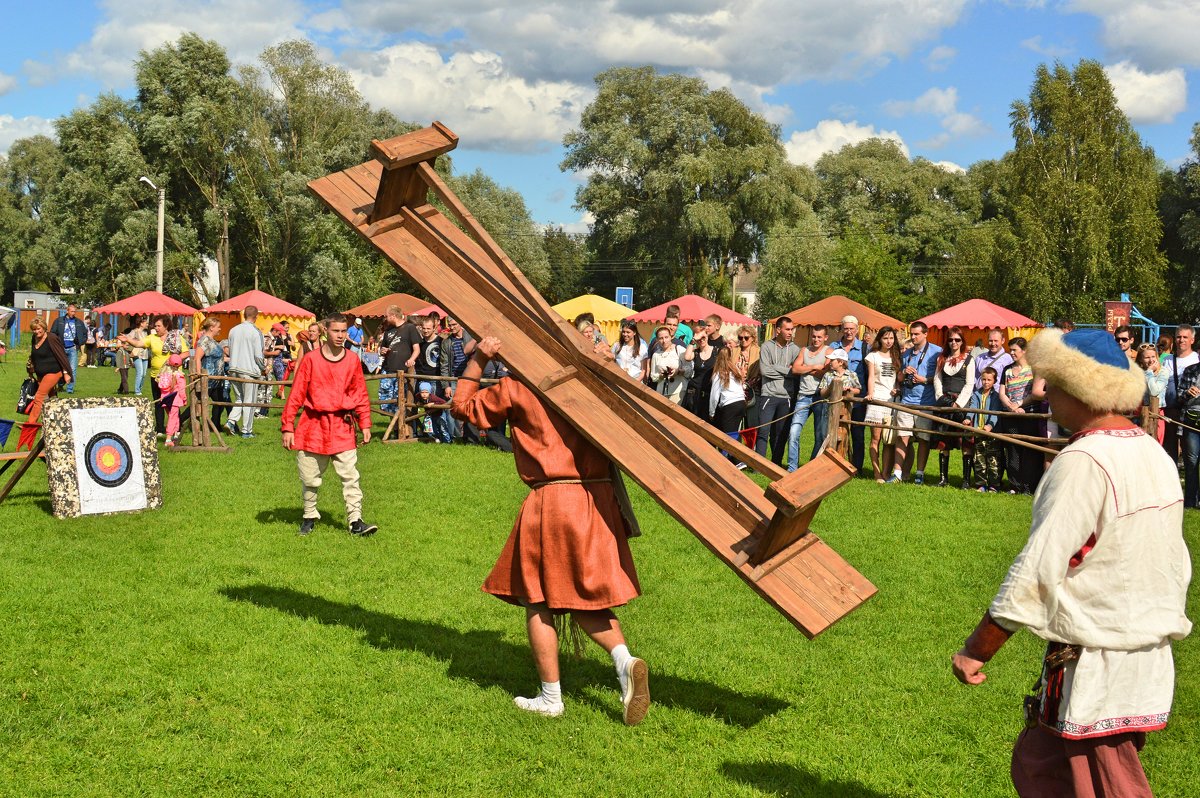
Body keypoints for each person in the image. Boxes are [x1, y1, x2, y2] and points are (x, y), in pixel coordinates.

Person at [952, 328, 1191, 798]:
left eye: (1055, 382)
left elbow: (1039, 565)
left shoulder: (1084, 459)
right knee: (1042, 765)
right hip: (1137, 646)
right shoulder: (1153, 453)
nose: (1047, 392)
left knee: (1109, 784)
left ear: (1082, 388)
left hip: (1099, 654)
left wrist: (978, 647)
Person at [449, 334, 649, 725]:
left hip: (554, 500)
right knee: (583, 597)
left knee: (538, 599)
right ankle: (625, 661)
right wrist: (607, 366)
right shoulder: (592, 382)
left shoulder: (518, 386)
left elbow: (461, 408)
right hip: (598, 500)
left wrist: (480, 360)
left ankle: (550, 697)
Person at [282, 314, 377, 538]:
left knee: (350, 476)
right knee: (309, 476)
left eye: (344, 331)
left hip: (342, 425)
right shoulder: (312, 360)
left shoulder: (353, 360)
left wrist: (365, 423)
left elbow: (360, 393)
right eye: (336, 331)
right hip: (312, 425)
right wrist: (287, 426)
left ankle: (356, 521)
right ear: (326, 331)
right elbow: (296, 394)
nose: (341, 335)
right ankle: (309, 516)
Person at [892, 321, 942, 484]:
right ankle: (897, 473)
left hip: (926, 402)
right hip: (907, 400)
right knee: (902, 437)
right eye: (911, 334)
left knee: (923, 439)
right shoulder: (906, 354)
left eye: (916, 334)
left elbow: (941, 378)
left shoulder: (937, 352)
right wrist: (904, 372)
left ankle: (919, 474)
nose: (913, 337)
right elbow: (898, 378)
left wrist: (925, 379)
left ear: (925, 334)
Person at [997, 338, 1042, 494]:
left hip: (1029, 414)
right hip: (1011, 416)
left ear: (1024, 351)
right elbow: (1002, 391)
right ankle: (1014, 485)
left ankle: (1029, 486)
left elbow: (1034, 393)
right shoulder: (1007, 369)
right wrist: (1011, 406)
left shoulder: (1033, 369)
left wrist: (1020, 404)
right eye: (1010, 350)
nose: (1011, 353)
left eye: (1014, 350)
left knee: (1029, 450)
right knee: (1012, 450)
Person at [932, 327, 976, 488]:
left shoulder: (969, 359)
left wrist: (958, 404)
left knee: (966, 441)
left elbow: (970, 384)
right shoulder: (942, 358)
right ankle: (943, 479)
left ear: (962, 341)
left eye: (957, 340)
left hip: (962, 404)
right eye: (951, 340)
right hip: (944, 401)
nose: (954, 343)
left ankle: (966, 480)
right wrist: (941, 397)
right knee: (944, 440)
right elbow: (937, 379)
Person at [786, 324, 831, 471]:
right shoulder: (804, 350)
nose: (816, 339)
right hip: (803, 397)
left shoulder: (829, 351)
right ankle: (792, 468)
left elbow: (826, 373)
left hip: (820, 397)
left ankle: (811, 467)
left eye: (819, 337)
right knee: (794, 432)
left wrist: (806, 368)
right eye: (813, 336)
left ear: (825, 338)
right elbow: (795, 369)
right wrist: (815, 367)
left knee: (820, 435)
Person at [755, 317, 800, 465]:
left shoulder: (795, 349)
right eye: (787, 329)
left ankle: (776, 463)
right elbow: (764, 371)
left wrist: (776, 367)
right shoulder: (767, 346)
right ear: (778, 330)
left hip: (786, 396)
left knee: (780, 434)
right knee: (763, 431)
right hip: (768, 394)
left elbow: (795, 372)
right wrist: (787, 371)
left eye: (792, 329)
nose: (790, 332)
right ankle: (759, 464)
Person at [831, 315, 869, 470]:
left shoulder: (865, 348)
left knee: (858, 433)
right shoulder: (834, 346)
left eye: (851, 329)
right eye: (845, 328)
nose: (848, 332)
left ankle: (857, 467)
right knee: (836, 431)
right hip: (837, 398)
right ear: (841, 329)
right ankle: (835, 464)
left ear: (857, 329)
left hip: (858, 397)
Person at [865, 327, 901, 482]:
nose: (889, 341)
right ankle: (876, 472)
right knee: (876, 437)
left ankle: (886, 473)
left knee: (889, 439)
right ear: (879, 339)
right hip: (877, 399)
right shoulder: (872, 356)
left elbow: (899, 378)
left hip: (892, 401)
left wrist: (897, 389)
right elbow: (871, 376)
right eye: (885, 338)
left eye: (891, 338)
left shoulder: (897, 356)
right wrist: (870, 393)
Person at [226, 305, 266, 439]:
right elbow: (259, 356)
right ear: (256, 317)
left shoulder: (233, 330)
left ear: (244, 315)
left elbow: (230, 350)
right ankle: (246, 431)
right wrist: (263, 368)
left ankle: (231, 421)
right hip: (249, 371)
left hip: (233, 368)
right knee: (250, 401)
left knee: (239, 399)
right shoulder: (256, 332)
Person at [145, 316, 190, 435]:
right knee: (158, 402)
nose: (156, 328)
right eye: (155, 326)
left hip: (172, 376)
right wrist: (128, 340)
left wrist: (174, 359)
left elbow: (186, 353)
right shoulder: (152, 338)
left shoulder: (176, 338)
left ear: (166, 326)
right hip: (157, 376)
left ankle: (177, 428)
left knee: (173, 403)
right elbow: (139, 343)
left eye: (158, 326)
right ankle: (159, 429)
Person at [24, 317, 71, 425]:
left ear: (44, 327)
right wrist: (30, 370)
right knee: (52, 397)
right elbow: (34, 355)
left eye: (38, 329)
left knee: (39, 396)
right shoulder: (34, 338)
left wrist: (66, 373)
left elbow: (61, 355)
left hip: (54, 372)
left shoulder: (52, 338)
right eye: (34, 329)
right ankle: (59, 419)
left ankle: (30, 424)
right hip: (40, 373)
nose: (36, 331)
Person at [378, 306, 420, 416]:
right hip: (388, 370)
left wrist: (411, 359)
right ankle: (395, 429)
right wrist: (383, 351)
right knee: (387, 404)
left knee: (401, 401)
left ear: (393, 316)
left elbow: (417, 349)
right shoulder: (388, 331)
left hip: (403, 371)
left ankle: (402, 429)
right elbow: (382, 349)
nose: (386, 318)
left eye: (387, 316)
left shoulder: (410, 328)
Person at [439, 317, 477, 440]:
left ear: (460, 323)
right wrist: (446, 385)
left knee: (472, 407)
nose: (452, 327)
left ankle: (471, 436)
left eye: (454, 324)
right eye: (450, 325)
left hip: (470, 377)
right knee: (453, 408)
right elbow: (444, 365)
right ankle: (456, 436)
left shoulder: (470, 338)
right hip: (455, 378)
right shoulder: (446, 342)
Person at [967, 367, 1004, 492]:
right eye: (983, 379)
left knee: (993, 460)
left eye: (989, 380)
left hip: (992, 433)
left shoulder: (996, 396)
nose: (986, 382)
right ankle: (981, 484)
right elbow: (972, 408)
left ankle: (994, 485)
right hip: (979, 432)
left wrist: (990, 426)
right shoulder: (977, 394)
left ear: (994, 381)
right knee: (979, 459)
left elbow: (995, 413)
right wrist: (968, 418)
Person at [817, 349, 860, 453]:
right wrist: (832, 387)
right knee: (825, 435)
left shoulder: (851, 375)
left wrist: (850, 390)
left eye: (832, 360)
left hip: (845, 412)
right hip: (828, 411)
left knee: (842, 436)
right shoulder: (828, 375)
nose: (830, 362)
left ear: (841, 362)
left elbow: (858, 389)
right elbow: (822, 393)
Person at [709, 345, 747, 463]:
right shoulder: (735, 370)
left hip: (729, 405)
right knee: (735, 431)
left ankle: (736, 460)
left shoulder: (719, 373)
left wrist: (712, 412)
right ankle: (734, 458)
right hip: (741, 403)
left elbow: (714, 396)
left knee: (728, 434)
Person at [195, 317, 227, 432]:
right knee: (197, 404)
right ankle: (178, 423)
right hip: (208, 379)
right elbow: (197, 358)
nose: (220, 329)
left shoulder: (213, 341)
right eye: (218, 327)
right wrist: (199, 376)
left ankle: (215, 425)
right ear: (212, 328)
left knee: (219, 403)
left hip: (217, 380)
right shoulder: (204, 340)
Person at [649, 326, 695, 404]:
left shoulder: (679, 349)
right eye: (661, 338)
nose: (664, 340)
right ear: (657, 340)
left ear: (671, 337)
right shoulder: (656, 354)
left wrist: (679, 371)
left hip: (678, 391)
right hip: (662, 392)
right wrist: (662, 375)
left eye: (666, 337)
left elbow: (690, 370)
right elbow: (653, 376)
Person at [50, 303, 88, 394]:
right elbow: (52, 333)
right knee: (59, 368)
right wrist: (56, 345)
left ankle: (70, 389)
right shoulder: (59, 321)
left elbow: (84, 334)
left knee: (72, 369)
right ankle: (60, 384)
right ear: (67, 311)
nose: (73, 313)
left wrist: (79, 343)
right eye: (72, 311)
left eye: (75, 311)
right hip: (61, 348)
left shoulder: (79, 322)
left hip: (73, 348)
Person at [734, 327, 760, 450]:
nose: (743, 340)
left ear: (753, 338)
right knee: (735, 425)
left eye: (746, 338)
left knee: (751, 425)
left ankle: (751, 452)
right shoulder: (734, 351)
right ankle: (736, 453)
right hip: (735, 392)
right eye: (740, 338)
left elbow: (760, 372)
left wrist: (748, 382)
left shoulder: (758, 352)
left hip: (752, 392)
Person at [685, 324, 717, 422]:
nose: (701, 340)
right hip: (695, 392)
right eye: (699, 339)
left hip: (709, 391)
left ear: (707, 336)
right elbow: (686, 357)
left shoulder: (716, 350)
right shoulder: (696, 352)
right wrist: (693, 339)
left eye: (703, 337)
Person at [1139, 344, 1168, 443]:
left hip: (1157, 413)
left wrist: (1149, 372)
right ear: (1141, 359)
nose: (1151, 360)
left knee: (1156, 444)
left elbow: (1154, 392)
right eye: (1147, 357)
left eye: (1153, 356)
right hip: (1141, 412)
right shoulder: (1138, 373)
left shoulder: (1163, 372)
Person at [157, 354, 188, 447]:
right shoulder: (179, 376)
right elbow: (182, 389)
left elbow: (162, 388)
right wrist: (184, 399)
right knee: (173, 417)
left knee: (173, 417)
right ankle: (168, 438)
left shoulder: (163, 375)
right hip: (175, 399)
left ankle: (176, 434)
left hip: (166, 399)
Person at [125, 315, 150, 396]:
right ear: (141, 323)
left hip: (145, 355)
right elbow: (126, 340)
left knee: (144, 374)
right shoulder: (134, 332)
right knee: (140, 372)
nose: (147, 324)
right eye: (146, 323)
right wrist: (130, 349)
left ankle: (140, 389)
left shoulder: (145, 333)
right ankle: (137, 390)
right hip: (137, 355)